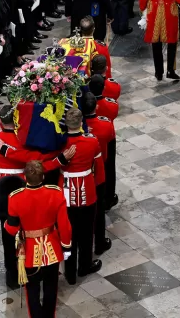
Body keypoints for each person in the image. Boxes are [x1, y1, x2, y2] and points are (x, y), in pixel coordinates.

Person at [4, 161, 72, 317]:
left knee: (32, 291)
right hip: (52, 249)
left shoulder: (15, 198)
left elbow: (12, 228)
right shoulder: (55, 193)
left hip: (28, 252)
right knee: (51, 288)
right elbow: (64, 225)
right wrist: (66, 246)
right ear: (43, 176)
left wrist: (7, 225)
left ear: (24, 176)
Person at [61, 108, 105, 284]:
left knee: (68, 233)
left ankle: (70, 272)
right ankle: (84, 266)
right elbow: (99, 169)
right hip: (87, 190)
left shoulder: (60, 142)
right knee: (86, 232)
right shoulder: (91, 141)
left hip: (65, 192)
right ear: (81, 123)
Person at [83, 92, 116, 245]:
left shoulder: (77, 129)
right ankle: (100, 241)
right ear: (96, 106)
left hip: (82, 174)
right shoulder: (105, 124)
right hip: (100, 168)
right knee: (99, 205)